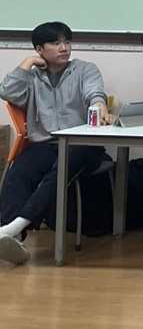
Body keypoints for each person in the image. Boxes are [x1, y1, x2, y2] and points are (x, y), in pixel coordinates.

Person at [0, 22, 110, 267]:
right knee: (20, 171)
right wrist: (28, 62)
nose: (64, 48)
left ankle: (13, 227)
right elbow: (7, 92)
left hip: (83, 144)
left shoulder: (84, 69)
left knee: (59, 170)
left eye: (67, 42)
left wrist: (99, 105)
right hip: (46, 143)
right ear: (40, 49)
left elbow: (94, 93)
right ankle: (14, 240)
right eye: (55, 43)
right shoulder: (32, 77)